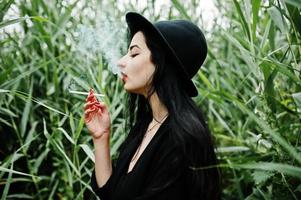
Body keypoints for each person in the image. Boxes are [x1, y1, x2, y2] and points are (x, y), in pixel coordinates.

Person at [84, 11, 221, 200]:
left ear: (161, 63)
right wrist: (101, 137)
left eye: (134, 53)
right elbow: (110, 194)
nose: (121, 62)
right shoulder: (146, 126)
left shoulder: (181, 140)